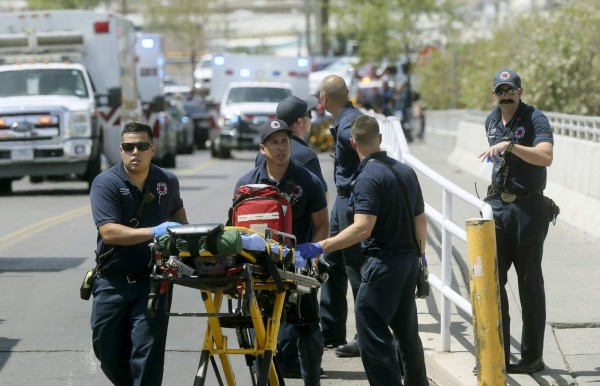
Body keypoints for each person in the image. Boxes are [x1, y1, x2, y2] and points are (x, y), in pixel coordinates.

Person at [296, 115, 428, 386]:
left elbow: (362, 229)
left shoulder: (368, 177)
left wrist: (320, 246)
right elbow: (420, 221)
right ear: (379, 139)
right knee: (407, 334)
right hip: (408, 262)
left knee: (370, 327)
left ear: (353, 142)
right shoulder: (405, 171)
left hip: (383, 265)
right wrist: (420, 258)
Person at [89, 121, 188, 385]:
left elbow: (178, 214)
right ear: (120, 150)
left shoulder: (167, 181)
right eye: (129, 146)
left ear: (152, 149)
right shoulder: (105, 183)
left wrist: (182, 243)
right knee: (107, 353)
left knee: (147, 355)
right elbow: (110, 232)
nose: (136, 152)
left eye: (142, 146)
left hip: (153, 281)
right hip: (113, 282)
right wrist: (155, 231)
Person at [235, 119, 329, 386]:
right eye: (274, 142)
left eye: (285, 141)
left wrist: (313, 256)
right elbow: (236, 229)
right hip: (259, 269)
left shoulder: (307, 181)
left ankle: (312, 381)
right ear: (262, 148)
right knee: (262, 332)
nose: (281, 148)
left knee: (307, 328)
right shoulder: (246, 184)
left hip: (298, 266)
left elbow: (322, 225)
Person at [478, 69, 554, 374]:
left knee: (529, 282)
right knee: (494, 282)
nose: (506, 95)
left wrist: (510, 145)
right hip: (498, 207)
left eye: (511, 90)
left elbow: (545, 156)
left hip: (529, 208)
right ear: (493, 94)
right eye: (501, 91)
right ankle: (499, 354)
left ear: (520, 92)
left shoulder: (536, 119)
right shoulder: (491, 120)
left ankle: (532, 356)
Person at [318, 74, 363, 357]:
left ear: (323, 99)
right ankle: (332, 329)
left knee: (356, 269)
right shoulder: (346, 118)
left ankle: (364, 334)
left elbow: (364, 151)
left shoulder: (350, 124)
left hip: (353, 203)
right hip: (341, 202)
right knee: (332, 263)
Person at [256, 95, 328, 194]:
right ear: (300, 121)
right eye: (309, 114)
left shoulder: (262, 153)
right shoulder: (307, 155)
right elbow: (322, 196)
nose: (311, 118)